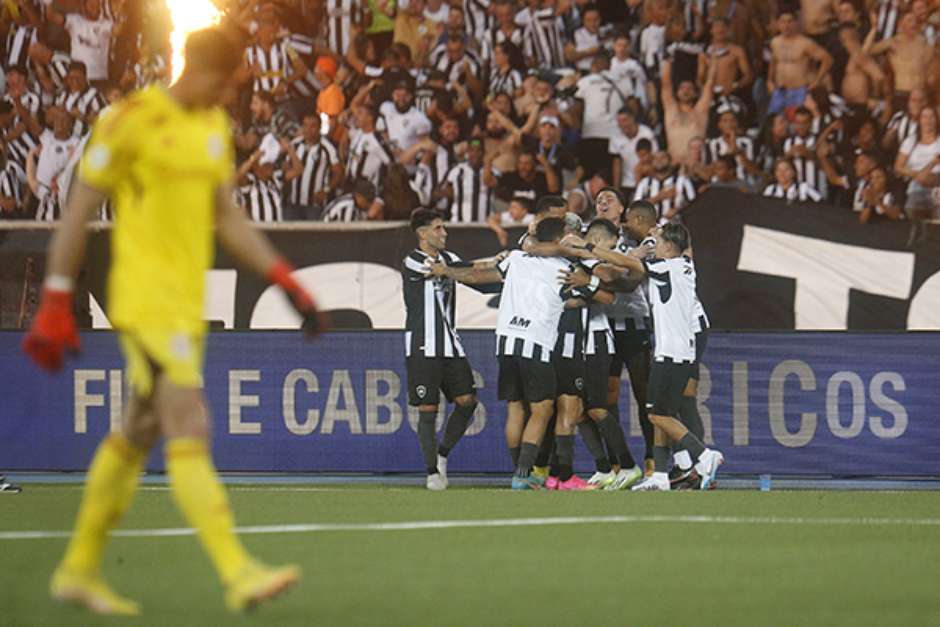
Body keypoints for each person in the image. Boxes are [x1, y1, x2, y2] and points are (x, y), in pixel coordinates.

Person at [23, 28, 323, 615]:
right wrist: (57, 297)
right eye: (235, 80)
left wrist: (285, 278)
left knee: (136, 430)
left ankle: (79, 568)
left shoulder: (213, 129)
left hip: (186, 308)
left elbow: (226, 216)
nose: (236, 92)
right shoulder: (129, 118)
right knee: (190, 419)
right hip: (143, 301)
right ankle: (237, 573)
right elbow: (79, 208)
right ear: (215, 71)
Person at [570, 223, 725, 491]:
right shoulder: (685, 265)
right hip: (678, 351)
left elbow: (626, 262)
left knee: (656, 415)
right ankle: (660, 476)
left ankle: (702, 455)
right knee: (661, 413)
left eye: (659, 240)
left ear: (667, 247)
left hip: (671, 353)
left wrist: (587, 247)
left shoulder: (667, 268)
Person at [431, 204, 572, 489]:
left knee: (516, 410)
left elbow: (480, 276)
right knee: (542, 410)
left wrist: (447, 272)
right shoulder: (565, 268)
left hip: (506, 343)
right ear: (558, 241)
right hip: (537, 343)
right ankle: (523, 475)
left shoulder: (517, 259)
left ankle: (516, 472)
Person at [402, 209, 481, 490]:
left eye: (443, 227)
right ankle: (432, 472)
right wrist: (480, 266)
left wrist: (500, 268)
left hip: (450, 343)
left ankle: (442, 453)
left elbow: (470, 272)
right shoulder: (413, 260)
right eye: (438, 228)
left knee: (467, 401)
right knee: (428, 408)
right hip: (423, 345)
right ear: (423, 234)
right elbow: (450, 271)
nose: (444, 233)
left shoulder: (449, 259)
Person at [767, 11, 833, 116]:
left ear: (796, 23)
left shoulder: (805, 43)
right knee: (776, 123)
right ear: (778, 24)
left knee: (799, 121)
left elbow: (827, 59)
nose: (786, 25)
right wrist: (769, 80)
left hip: (799, 90)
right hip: (780, 90)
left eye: (789, 21)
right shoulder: (775, 42)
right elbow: (774, 62)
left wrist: (817, 81)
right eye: (783, 22)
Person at [661, 56, 715, 165]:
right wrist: (667, 62)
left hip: (696, 166)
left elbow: (709, 84)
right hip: (673, 164)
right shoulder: (671, 110)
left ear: (695, 94)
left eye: (689, 88)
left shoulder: (700, 112)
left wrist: (712, 65)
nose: (686, 91)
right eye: (682, 88)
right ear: (677, 93)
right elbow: (666, 85)